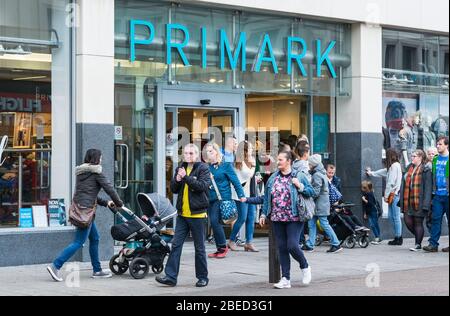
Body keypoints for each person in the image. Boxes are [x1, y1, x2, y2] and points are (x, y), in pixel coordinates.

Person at [47, 149, 123, 282]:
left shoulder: (81, 173)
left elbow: (88, 194)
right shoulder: (96, 172)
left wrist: (105, 203)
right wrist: (119, 203)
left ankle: (97, 270)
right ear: (96, 159)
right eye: (100, 157)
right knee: (78, 242)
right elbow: (110, 189)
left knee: (95, 238)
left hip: (81, 210)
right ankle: (55, 266)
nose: (101, 160)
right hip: (86, 213)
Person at [155, 144, 211, 287]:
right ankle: (171, 277)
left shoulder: (202, 168)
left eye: (191, 153)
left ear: (197, 155)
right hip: (182, 215)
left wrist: (185, 177)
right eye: (186, 153)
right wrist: (178, 180)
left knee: (199, 248)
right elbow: (174, 189)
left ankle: (203, 277)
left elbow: (201, 186)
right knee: (176, 245)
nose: (188, 155)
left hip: (197, 215)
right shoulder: (180, 167)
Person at [259, 150, 315, 289]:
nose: (278, 162)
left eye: (280, 160)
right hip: (277, 217)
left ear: (289, 161)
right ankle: (286, 279)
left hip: (294, 217)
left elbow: (311, 192)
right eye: (277, 160)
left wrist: (300, 186)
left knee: (292, 245)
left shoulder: (299, 175)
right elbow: (267, 198)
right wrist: (263, 214)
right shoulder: (273, 178)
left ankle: (305, 266)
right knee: (282, 247)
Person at [205, 142, 245, 259]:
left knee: (214, 221)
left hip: (222, 198)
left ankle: (222, 247)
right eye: (207, 152)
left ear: (217, 152)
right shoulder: (207, 167)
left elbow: (236, 181)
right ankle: (220, 248)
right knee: (214, 222)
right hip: (210, 199)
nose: (208, 153)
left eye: (211, 151)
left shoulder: (226, 166)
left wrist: (241, 195)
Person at [304, 154, 343, 253]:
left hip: (319, 205)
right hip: (320, 204)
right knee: (311, 223)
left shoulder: (317, 175)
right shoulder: (321, 172)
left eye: (309, 164)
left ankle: (336, 244)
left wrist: (306, 193)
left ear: (313, 164)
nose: (308, 165)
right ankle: (310, 244)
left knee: (324, 224)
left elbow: (316, 192)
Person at [366, 148, 403, 245]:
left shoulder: (394, 166)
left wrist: (386, 195)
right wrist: (371, 173)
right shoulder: (394, 166)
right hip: (394, 194)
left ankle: (398, 237)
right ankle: (397, 236)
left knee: (395, 217)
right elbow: (383, 172)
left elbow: (390, 182)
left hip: (393, 194)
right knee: (393, 217)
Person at [399, 150, 432, 251]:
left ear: (420, 157)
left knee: (418, 223)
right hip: (408, 200)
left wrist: (426, 204)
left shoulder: (425, 169)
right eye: (412, 156)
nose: (412, 157)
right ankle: (419, 235)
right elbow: (404, 183)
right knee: (407, 221)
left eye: (414, 156)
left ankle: (418, 244)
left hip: (420, 201)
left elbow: (427, 188)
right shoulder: (409, 167)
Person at [229, 141, 258, 252]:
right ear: (245, 150)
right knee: (242, 218)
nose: (252, 150)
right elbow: (247, 174)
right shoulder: (239, 161)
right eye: (250, 148)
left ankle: (249, 243)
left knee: (251, 217)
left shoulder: (251, 160)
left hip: (251, 193)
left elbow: (251, 177)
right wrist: (253, 165)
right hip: (241, 194)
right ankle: (231, 240)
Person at [424, 136, 449, 253]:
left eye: (440, 144)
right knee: (435, 219)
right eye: (437, 144)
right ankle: (433, 244)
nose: (438, 146)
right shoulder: (435, 160)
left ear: (446, 145)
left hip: (448, 195)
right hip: (438, 195)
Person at [362, 181, 382, 245]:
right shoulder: (369, 193)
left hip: (373, 211)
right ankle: (378, 237)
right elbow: (366, 206)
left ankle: (377, 238)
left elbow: (370, 203)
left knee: (373, 225)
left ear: (366, 188)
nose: (362, 189)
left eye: (363, 187)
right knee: (375, 224)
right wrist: (365, 213)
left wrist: (364, 200)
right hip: (372, 211)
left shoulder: (369, 194)